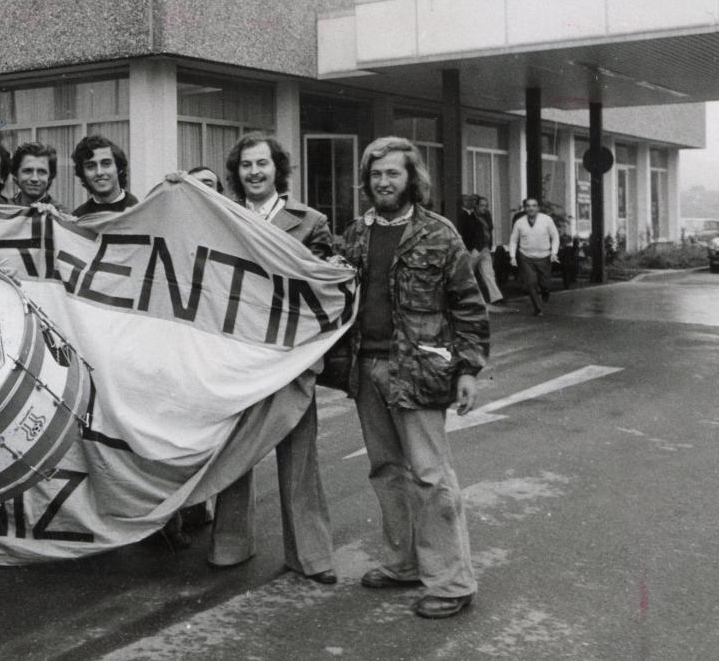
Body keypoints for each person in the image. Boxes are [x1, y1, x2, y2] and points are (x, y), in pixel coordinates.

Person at [328, 136, 487, 620]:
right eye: (376, 174)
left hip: (419, 372)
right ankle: (403, 564)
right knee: (386, 472)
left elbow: (468, 305)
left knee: (430, 476)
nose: (383, 182)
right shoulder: (354, 234)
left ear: (411, 178)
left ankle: (452, 582)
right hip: (367, 368)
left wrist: (468, 369)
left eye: (392, 173)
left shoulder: (438, 234)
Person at [209, 133, 336, 582]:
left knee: (299, 456)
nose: (254, 173)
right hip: (238, 355)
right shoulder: (222, 216)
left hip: (289, 357)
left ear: (277, 168)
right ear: (237, 171)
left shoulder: (311, 221)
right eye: (246, 166)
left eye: (262, 164)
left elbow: (326, 286)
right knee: (234, 452)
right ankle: (230, 545)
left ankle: (311, 555)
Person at [509, 197, 559, 317]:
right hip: (526, 256)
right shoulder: (519, 222)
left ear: (538, 208)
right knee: (531, 282)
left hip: (544, 256)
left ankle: (546, 291)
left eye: (534, 205)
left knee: (545, 284)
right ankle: (538, 308)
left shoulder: (546, 220)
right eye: (528, 206)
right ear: (525, 208)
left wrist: (554, 253)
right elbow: (513, 240)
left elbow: (555, 236)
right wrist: (512, 257)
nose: (531, 208)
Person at [71, 135, 137, 217]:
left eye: (106, 164)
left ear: (119, 168)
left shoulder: (140, 212)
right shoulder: (77, 219)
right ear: (83, 174)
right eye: (90, 166)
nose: (99, 172)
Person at [8, 142, 67, 211]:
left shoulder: (61, 214)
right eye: (28, 171)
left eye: (42, 172)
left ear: (50, 177)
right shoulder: (3, 210)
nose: (34, 178)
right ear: (16, 174)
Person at [466, 195, 503, 304]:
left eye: (486, 206)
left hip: (485, 248)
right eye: (482, 205)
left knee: (489, 273)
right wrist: (471, 249)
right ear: (476, 206)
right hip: (475, 250)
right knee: (468, 273)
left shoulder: (487, 216)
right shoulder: (470, 218)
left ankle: (496, 297)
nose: (484, 208)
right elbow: (466, 234)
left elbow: (489, 229)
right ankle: (465, 297)